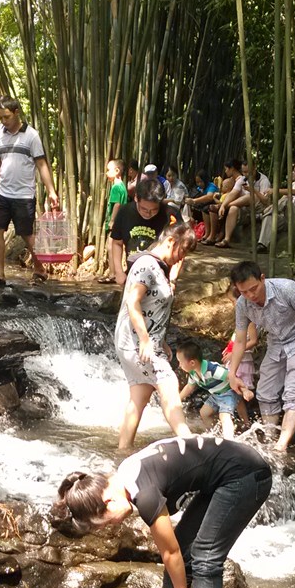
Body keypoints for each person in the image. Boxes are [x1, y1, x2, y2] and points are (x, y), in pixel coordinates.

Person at [51, 437, 272, 588]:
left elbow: (170, 553)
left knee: (206, 555)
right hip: (224, 476)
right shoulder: (124, 474)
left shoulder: (144, 494)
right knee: (187, 544)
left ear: (108, 501)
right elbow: (176, 548)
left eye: (104, 523)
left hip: (246, 475)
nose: (112, 526)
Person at [114, 222, 196, 450]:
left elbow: (157, 305)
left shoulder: (160, 268)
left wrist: (161, 340)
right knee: (169, 383)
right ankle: (190, 445)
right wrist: (146, 339)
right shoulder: (147, 265)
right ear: (171, 241)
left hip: (143, 342)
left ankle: (123, 450)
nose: (182, 257)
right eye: (183, 251)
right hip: (135, 341)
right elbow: (133, 301)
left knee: (138, 398)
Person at [229, 260, 295, 452]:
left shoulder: (286, 288)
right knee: (265, 392)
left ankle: (281, 445)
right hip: (276, 343)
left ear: (262, 278)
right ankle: (270, 439)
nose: (251, 295)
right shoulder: (243, 304)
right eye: (244, 292)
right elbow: (239, 341)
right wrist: (232, 374)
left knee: (293, 393)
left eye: (254, 289)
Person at [0, 96, 59, 286]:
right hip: (3, 193)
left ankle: (39, 269)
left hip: (24, 195)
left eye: (7, 117)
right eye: (0, 117)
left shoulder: (31, 136)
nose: (4, 121)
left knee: (27, 235)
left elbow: (42, 164)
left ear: (16, 112)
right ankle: (0, 274)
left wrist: (51, 191)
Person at [175, 337, 251, 440]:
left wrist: (245, 390)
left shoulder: (212, 369)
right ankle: (215, 435)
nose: (179, 365)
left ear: (192, 363)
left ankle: (229, 440)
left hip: (228, 392)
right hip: (216, 395)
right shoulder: (193, 373)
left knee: (224, 416)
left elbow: (232, 377)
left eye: (180, 362)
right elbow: (189, 387)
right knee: (204, 413)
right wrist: (177, 400)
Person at [110, 178, 179, 285]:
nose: (148, 213)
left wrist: (173, 279)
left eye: (154, 210)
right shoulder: (125, 212)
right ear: (136, 198)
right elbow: (117, 243)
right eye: (144, 209)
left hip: (162, 279)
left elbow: (180, 249)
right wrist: (119, 272)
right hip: (133, 276)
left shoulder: (170, 215)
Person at [223, 283, 259, 425]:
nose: (233, 305)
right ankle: (244, 421)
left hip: (242, 362)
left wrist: (233, 354)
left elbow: (253, 341)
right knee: (234, 390)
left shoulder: (250, 321)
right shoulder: (241, 317)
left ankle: (243, 421)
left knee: (236, 390)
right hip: (235, 360)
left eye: (234, 301)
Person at [216, 160, 271, 249]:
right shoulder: (242, 179)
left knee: (251, 196)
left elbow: (265, 200)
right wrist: (222, 205)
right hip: (246, 210)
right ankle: (226, 239)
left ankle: (228, 205)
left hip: (260, 208)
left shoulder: (263, 180)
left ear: (254, 168)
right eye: (243, 172)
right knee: (233, 208)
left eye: (247, 172)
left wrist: (253, 190)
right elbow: (233, 193)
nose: (245, 174)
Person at [100, 158, 127, 283]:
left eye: (108, 170)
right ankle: (114, 273)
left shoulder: (116, 187)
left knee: (111, 247)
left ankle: (112, 274)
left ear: (117, 171)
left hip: (116, 222)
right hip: (122, 221)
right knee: (114, 246)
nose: (106, 173)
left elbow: (116, 205)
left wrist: (112, 220)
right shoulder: (122, 186)